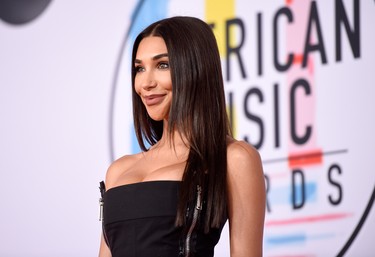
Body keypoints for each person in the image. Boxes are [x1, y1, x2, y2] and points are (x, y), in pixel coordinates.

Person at [98, 16, 265, 257]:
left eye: (162, 65)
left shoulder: (234, 158)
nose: (145, 82)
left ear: (195, 68)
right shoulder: (117, 171)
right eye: (139, 68)